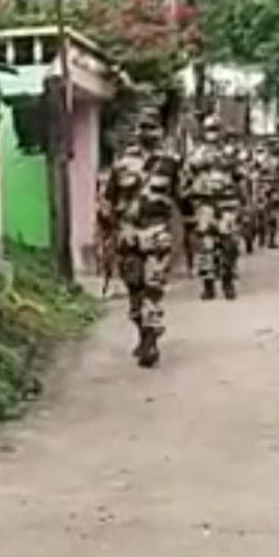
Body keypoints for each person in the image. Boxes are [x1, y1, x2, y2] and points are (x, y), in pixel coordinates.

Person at [98, 107, 184, 367]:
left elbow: (182, 197)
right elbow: (108, 199)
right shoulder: (122, 163)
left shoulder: (171, 163)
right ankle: (143, 332)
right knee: (134, 289)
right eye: (143, 127)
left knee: (153, 288)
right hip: (128, 234)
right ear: (137, 131)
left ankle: (151, 341)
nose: (147, 132)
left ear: (160, 131)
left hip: (157, 232)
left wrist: (189, 230)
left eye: (152, 127)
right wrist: (106, 228)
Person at [182, 115, 242, 301]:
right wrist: (188, 201)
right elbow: (186, 178)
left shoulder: (230, 153)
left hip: (227, 204)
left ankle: (228, 281)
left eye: (215, 129)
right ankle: (208, 285)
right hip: (204, 204)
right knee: (206, 245)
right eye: (209, 130)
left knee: (230, 244)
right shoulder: (196, 153)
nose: (212, 134)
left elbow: (240, 176)